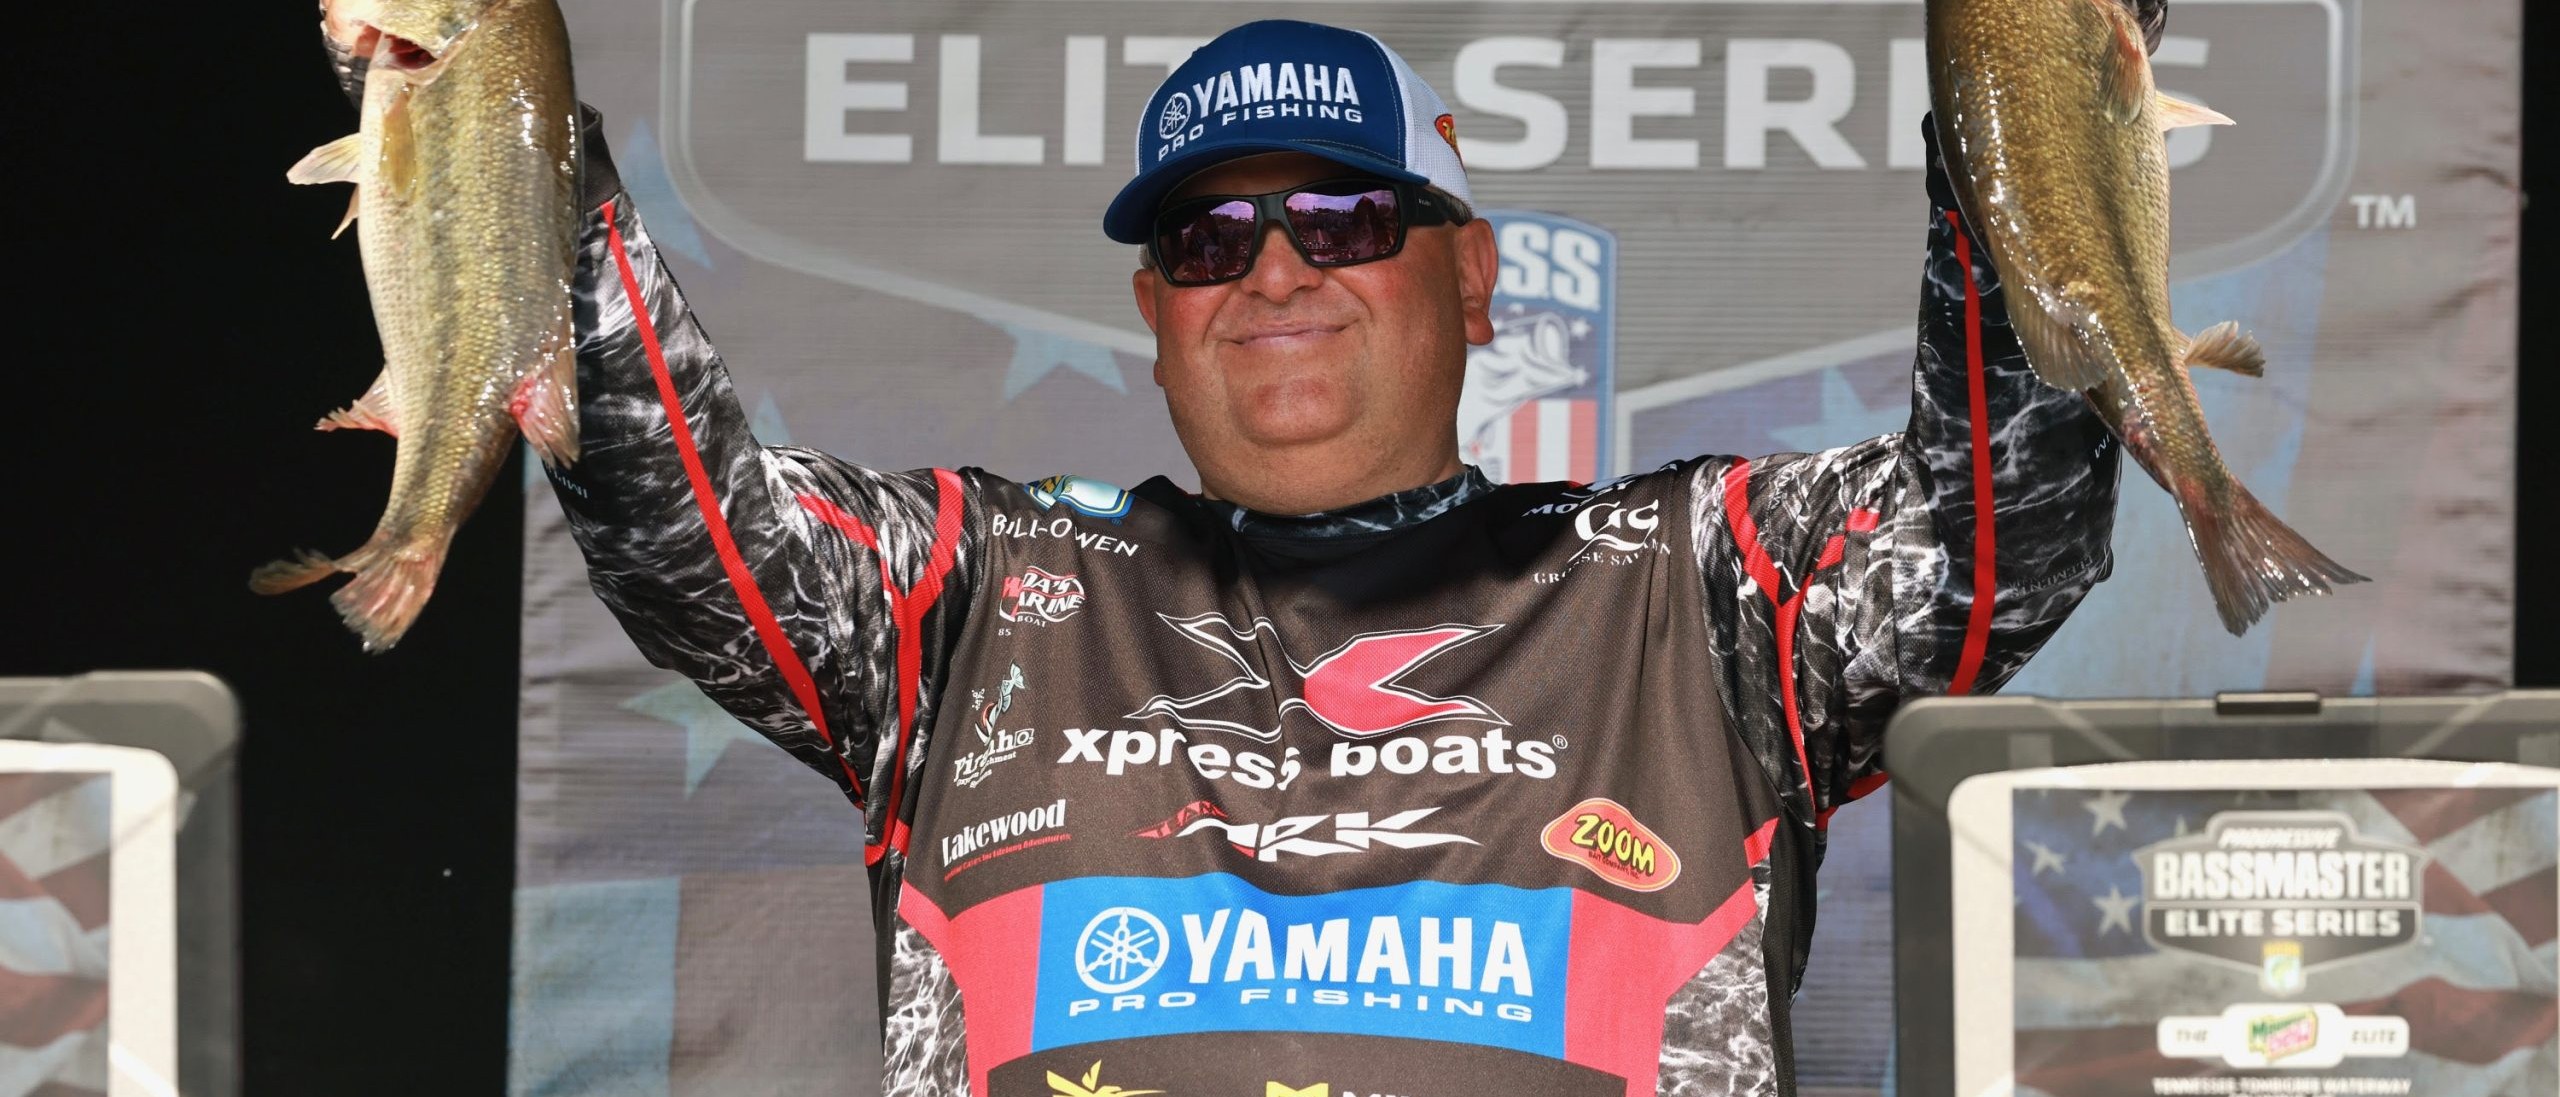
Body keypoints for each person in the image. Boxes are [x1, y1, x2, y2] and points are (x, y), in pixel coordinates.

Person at [535, 16, 2133, 1096]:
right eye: (1209, 242)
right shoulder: (969, 592)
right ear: (1156, 314)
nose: (1278, 273)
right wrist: (489, 111)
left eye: (1347, 218)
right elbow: (675, 517)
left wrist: (2038, 52)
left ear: (1473, 275)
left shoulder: (1696, 582)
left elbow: (2007, 526)